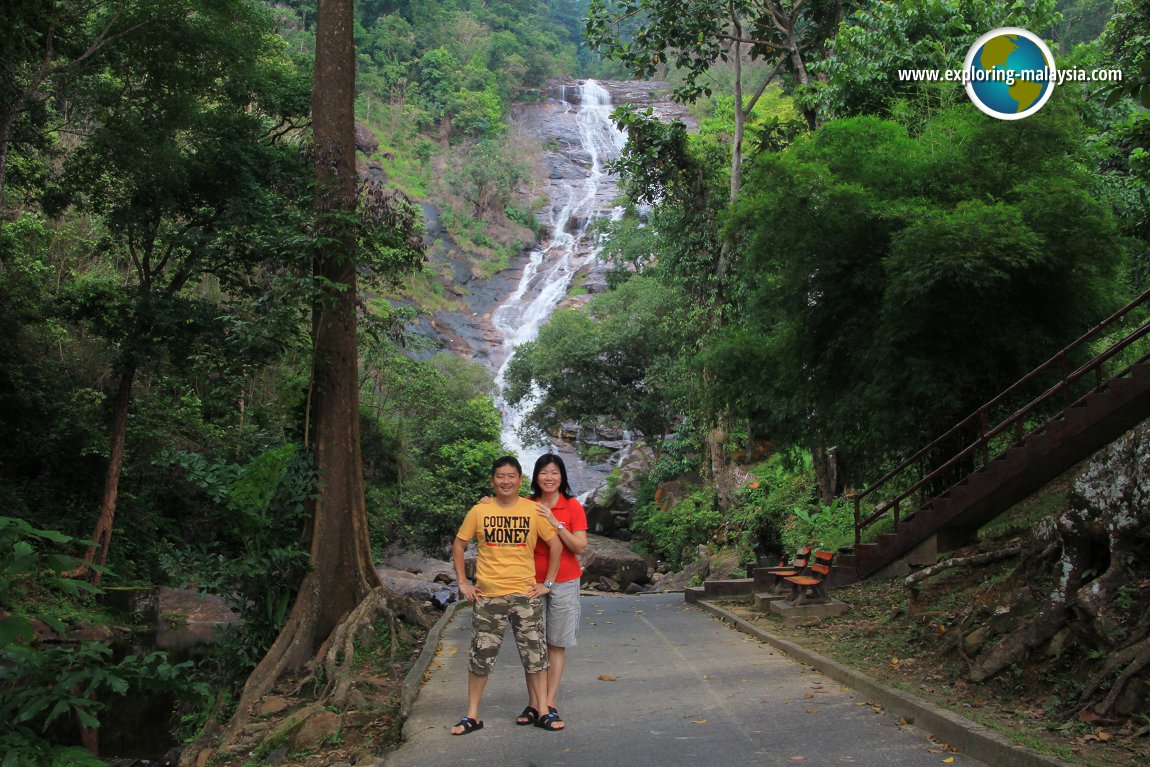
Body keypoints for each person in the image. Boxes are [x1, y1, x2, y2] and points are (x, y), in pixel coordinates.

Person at [450, 456, 562, 736]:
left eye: (511, 476)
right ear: (493, 480)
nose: (506, 481)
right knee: (480, 657)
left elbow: (556, 545)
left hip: (525, 595)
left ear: (520, 480)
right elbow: (459, 545)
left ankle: (544, 712)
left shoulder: (533, 510)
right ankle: (472, 715)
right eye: (500, 476)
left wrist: (547, 582)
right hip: (488, 597)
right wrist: (463, 582)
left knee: (535, 657)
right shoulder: (479, 511)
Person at [514, 453, 588, 732]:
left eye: (554, 472)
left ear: (562, 477)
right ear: (536, 477)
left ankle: (551, 701)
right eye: (543, 472)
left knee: (556, 643)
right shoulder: (526, 505)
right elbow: (501, 512)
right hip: (530, 582)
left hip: (565, 581)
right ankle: (535, 703)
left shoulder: (572, 506)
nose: (549, 477)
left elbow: (580, 547)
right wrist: (487, 503)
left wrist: (555, 523)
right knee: (533, 644)